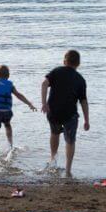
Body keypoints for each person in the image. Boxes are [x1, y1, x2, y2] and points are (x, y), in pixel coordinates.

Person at [41, 50, 89, 178]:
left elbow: (44, 83)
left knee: (54, 134)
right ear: (78, 64)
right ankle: (68, 169)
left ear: (64, 61)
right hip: (70, 114)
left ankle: (53, 160)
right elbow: (83, 101)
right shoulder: (80, 79)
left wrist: (44, 103)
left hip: (54, 112)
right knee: (70, 140)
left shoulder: (56, 71)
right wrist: (86, 120)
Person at [0, 65, 37, 160]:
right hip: (7, 112)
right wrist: (29, 104)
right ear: (8, 76)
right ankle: (10, 145)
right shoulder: (10, 84)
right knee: (7, 125)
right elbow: (18, 95)